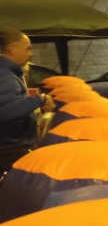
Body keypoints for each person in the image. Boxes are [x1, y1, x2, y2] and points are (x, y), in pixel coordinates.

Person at [0, 27, 55, 172]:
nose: (30, 54)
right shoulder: (4, 75)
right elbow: (5, 110)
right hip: (9, 152)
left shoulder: (9, 74)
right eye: (27, 49)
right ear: (11, 49)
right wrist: (40, 99)